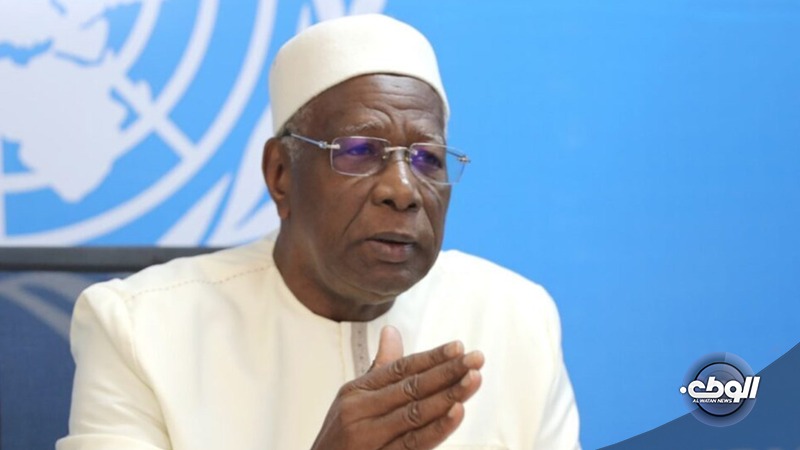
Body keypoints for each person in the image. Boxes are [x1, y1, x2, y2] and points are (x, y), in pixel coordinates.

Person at [56, 14, 580, 450]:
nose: (403, 189)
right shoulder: (139, 329)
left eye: (427, 158)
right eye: (359, 151)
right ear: (280, 175)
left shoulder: (516, 318)